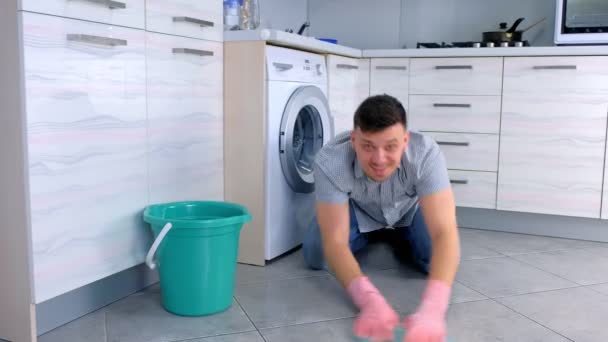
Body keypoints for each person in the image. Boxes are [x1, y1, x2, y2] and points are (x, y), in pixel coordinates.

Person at [302, 94, 461, 342]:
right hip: (358, 211)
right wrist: (369, 300)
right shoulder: (329, 161)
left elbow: (445, 232)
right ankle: (374, 233)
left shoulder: (426, 154)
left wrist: (433, 309)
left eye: (390, 146)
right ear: (353, 141)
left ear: (405, 141)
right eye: (367, 146)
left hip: (408, 211)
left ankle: (397, 235)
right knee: (317, 252)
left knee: (434, 256)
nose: (378, 159)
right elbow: (335, 241)